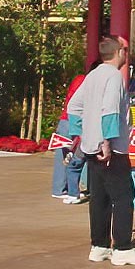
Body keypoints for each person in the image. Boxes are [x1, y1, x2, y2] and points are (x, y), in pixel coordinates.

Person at [67, 36, 135, 266]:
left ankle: (99, 246)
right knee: (124, 197)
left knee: (99, 199)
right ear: (118, 52)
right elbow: (110, 111)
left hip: (90, 147)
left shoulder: (93, 75)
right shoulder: (114, 77)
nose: (127, 53)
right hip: (112, 149)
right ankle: (123, 248)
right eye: (125, 49)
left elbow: (73, 107)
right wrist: (106, 142)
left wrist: (82, 134)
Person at [53, 70, 89, 203]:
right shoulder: (85, 82)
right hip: (72, 121)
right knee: (71, 156)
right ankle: (64, 190)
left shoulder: (78, 79)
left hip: (66, 121)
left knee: (64, 155)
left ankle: (62, 188)